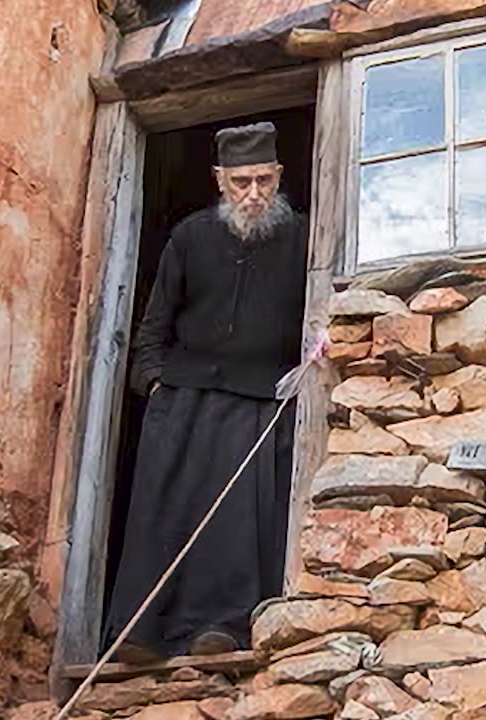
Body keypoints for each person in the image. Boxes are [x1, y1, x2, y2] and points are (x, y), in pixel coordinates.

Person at [104, 122, 308, 659]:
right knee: (163, 510)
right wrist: (151, 383)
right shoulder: (191, 237)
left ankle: (223, 630)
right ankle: (139, 635)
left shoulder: (305, 238)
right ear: (219, 180)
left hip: (262, 400)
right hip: (183, 398)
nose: (254, 193)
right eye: (241, 181)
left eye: (264, 179)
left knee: (237, 520)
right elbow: (153, 326)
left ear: (280, 176)